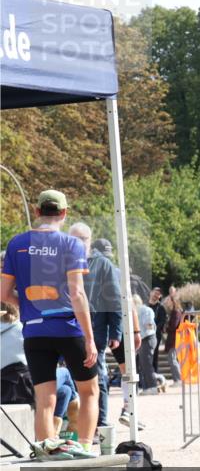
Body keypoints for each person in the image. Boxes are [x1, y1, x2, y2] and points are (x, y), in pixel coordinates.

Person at [1, 190, 99, 443]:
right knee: (89, 391)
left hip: (34, 331)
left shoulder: (17, 244)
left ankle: (45, 451)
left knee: (45, 399)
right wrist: (89, 338)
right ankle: (86, 447)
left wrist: (27, 307)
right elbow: (77, 294)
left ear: (37, 212)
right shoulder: (72, 244)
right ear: (64, 213)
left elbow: (3, 293)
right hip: (68, 328)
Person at [68, 223, 121, 429]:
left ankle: (101, 422)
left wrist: (115, 332)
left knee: (96, 375)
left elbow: (114, 300)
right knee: (71, 377)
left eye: (82, 239)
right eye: (74, 239)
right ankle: (74, 424)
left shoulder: (102, 264)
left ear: (89, 240)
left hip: (95, 329)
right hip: (68, 328)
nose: (78, 243)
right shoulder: (63, 261)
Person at [163, 295, 183, 384]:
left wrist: (166, 328)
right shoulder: (175, 312)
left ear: (173, 302)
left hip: (174, 340)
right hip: (174, 340)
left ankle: (178, 379)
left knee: (172, 359)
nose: (167, 302)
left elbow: (174, 326)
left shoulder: (175, 312)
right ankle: (178, 379)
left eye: (169, 301)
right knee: (173, 359)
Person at [149, 287, 167, 371]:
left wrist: (154, 329)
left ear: (160, 296)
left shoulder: (161, 308)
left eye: (158, 294)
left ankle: (154, 373)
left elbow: (162, 321)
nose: (156, 295)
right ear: (151, 293)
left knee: (154, 354)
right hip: (145, 334)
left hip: (155, 335)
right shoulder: (145, 305)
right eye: (155, 293)